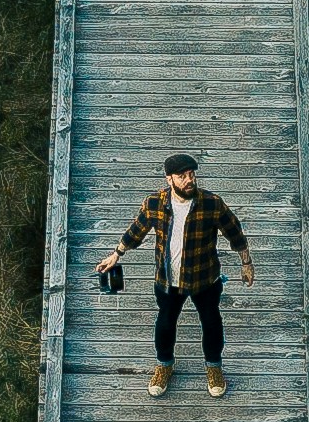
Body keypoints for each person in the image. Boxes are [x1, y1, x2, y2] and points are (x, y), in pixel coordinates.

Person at [98, 152, 254, 393]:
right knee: (166, 322)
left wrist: (246, 263)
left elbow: (235, 232)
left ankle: (214, 368)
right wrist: (116, 254)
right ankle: (164, 365)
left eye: (191, 175)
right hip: (167, 279)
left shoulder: (212, 203)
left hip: (205, 278)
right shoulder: (154, 203)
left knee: (211, 322)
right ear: (169, 179)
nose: (189, 180)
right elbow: (136, 230)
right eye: (182, 176)